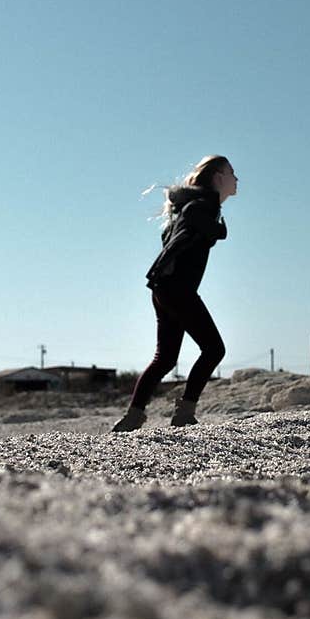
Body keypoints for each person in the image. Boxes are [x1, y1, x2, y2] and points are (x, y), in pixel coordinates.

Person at [111, 155, 238, 431]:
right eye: (232, 173)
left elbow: (174, 234)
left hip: (163, 287)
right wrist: (216, 230)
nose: (236, 179)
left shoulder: (198, 207)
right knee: (214, 349)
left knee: (165, 359)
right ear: (218, 177)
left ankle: (132, 418)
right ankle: (184, 414)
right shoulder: (201, 206)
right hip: (176, 289)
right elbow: (191, 226)